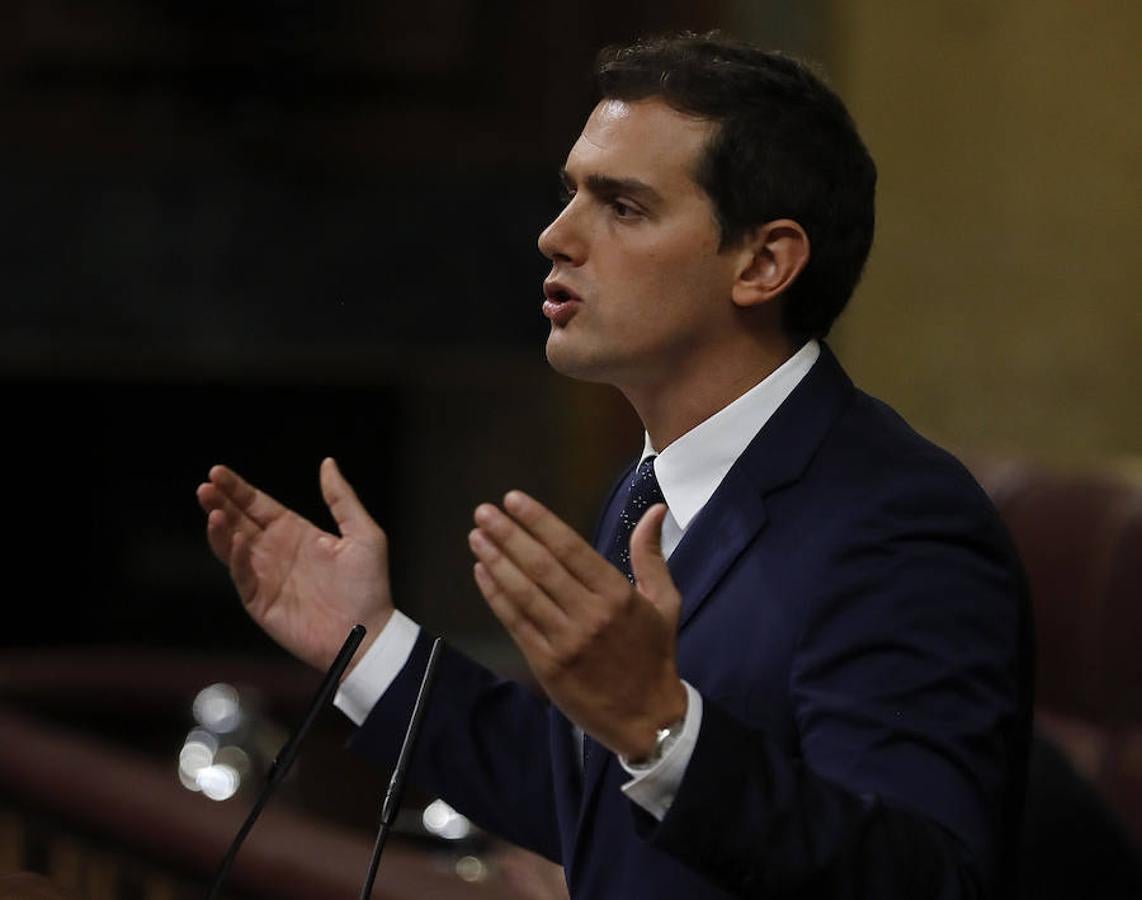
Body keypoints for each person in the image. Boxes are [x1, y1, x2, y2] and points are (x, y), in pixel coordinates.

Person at [197, 33, 1031, 898]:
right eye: (571, 197)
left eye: (622, 206)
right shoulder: (646, 493)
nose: (556, 236)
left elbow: (926, 880)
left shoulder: (897, 524)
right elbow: (598, 805)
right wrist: (367, 645)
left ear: (764, 261)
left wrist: (661, 729)